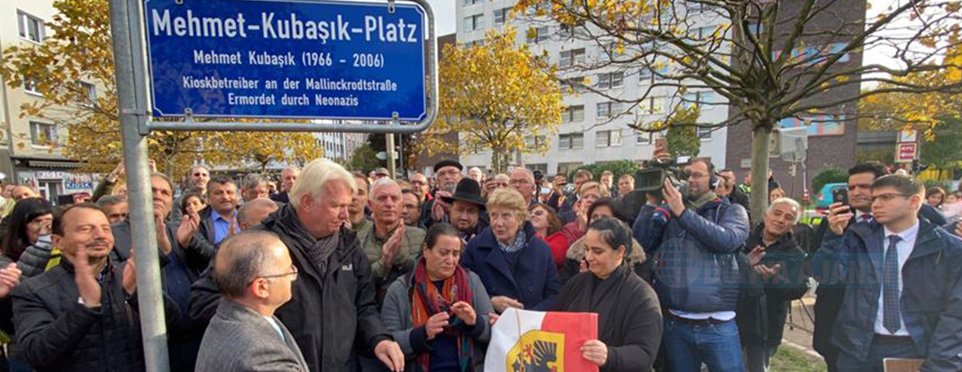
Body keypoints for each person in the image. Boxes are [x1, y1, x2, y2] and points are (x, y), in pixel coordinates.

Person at [189, 158, 405, 371]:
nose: (344, 215)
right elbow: (202, 300)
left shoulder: (348, 245)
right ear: (307, 201)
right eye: (336, 205)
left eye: (347, 206)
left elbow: (364, 306)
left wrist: (379, 339)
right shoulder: (258, 245)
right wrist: (260, 313)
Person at [811, 174, 962, 370]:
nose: (876, 204)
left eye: (886, 197)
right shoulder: (857, 237)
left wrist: (942, 362)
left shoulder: (948, 248)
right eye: (874, 199)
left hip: (916, 347)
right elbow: (827, 276)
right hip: (858, 348)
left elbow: (955, 312)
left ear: (914, 201)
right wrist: (834, 238)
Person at [11, 203, 176, 372]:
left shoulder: (127, 274)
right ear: (57, 241)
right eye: (85, 229)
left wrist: (136, 294)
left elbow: (173, 324)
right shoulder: (34, 290)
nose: (100, 235)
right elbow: (36, 355)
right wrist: (85, 307)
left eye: (106, 229)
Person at [632, 157, 750, 371]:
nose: (690, 180)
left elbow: (726, 241)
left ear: (713, 180)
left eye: (697, 175)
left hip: (718, 324)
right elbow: (641, 244)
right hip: (676, 323)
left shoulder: (731, 211)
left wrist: (682, 212)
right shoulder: (669, 211)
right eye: (686, 175)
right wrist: (651, 202)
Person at [380, 223, 494, 371]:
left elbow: (494, 331)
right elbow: (388, 342)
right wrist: (423, 332)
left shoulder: (471, 281)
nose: (450, 260)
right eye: (443, 252)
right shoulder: (401, 289)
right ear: (426, 250)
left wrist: (474, 322)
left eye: (455, 254)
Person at [554, 217, 662, 371]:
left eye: (597, 251)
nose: (589, 257)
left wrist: (610, 355)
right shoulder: (576, 284)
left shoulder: (642, 296)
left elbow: (645, 353)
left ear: (620, 252)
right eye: (586, 249)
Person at [195, 231, 308, 372]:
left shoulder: (228, 316)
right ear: (261, 287)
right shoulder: (261, 356)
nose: (293, 275)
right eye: (288, 270)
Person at [738, 198, 810, 372]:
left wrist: (774, 280)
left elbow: (799, 289)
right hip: (733, 322)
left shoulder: (796, 254)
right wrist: (744, 266)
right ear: (765, 215)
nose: (780, 220)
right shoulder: (741, 240)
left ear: (793, 224)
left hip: (766, 328)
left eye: (788, 217)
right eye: (776, 213)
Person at [461, 188, 561, 313]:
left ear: (520, 219)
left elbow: (554, 295)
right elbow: (463, 289)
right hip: (492, 324)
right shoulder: (475, 248)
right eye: (494, 215)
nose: (498, 223)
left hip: (531, 326)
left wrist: (528, 316)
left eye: (506, 216)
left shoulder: (541, 250)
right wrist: (490, 301)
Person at [356, 178, 427, 304]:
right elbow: (355, 280)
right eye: (382, 198)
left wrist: (398, 256)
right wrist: (384, 263)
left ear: (401, 205)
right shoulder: (358, 240)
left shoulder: (420, 236)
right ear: (370, 205)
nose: (389, 204)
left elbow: (424, 274)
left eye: (394, 199)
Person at [561, 199, 649, 284]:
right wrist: (582, 282)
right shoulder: (574, 255)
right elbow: (565, 291)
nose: (598, 220)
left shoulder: (637, 258)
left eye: (605, 217)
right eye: (594, 217)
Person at [2, 199, 54, 278]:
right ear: (21, 227)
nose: (46, 226)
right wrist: (43, 244)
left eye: (49, 221)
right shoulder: (4, 262)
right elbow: (21, 281)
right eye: (37, 221)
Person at [440, 178, 488, 243]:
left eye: (471, 211)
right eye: (460, 210)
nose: (464, 217)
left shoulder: (488, 238)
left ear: (478, 214)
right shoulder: (437, 234)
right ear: (450, 208)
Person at [420, 160, 464, 228]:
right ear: (437, 181)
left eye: (452, 172)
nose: (447, 177)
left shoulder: (471, 203)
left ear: (461, 177)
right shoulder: (426, 207)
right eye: (442, 174)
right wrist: (433, 220)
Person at [528, 203, 568, 268]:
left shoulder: (560, 238)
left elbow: (550, 256)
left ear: (549, 221)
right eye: (529, 214)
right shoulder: (520, 236)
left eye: (538, 213)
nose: (532, 215)